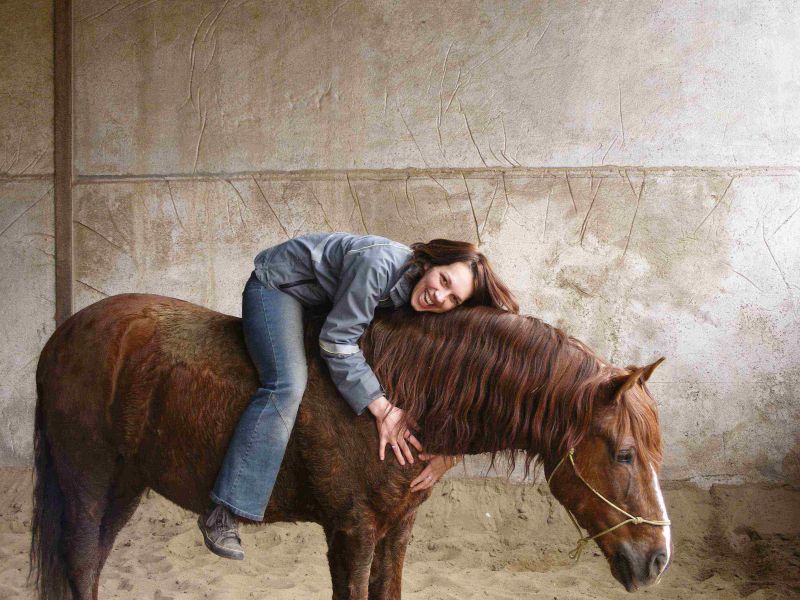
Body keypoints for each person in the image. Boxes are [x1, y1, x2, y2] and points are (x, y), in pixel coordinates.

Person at [198, 232, 519, 560]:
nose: (439, 296)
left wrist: (450, 454)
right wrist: (382, 408)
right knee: (287, 384)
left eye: (453, 299)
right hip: (279, 288)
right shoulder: (378, 265)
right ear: (430, 264)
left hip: (324, 300)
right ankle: (224, 510)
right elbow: (336, 342)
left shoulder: (426, 299)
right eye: (444, 280)